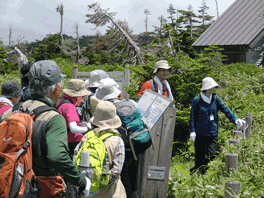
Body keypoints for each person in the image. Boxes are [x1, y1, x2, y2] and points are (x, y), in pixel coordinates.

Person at [0, 60, 91, 197]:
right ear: (56, 88)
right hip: (41, 189)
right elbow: (57, 157)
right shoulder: (53, 118)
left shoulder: (10, 112)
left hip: (11, 186)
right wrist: (82, 181)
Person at [95, 78, 151, 198]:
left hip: (124, 146)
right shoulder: (129, 102)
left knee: (124, 175)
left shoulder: (108, 108)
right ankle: (135, 194)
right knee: (134, 173)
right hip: (139, 141)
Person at [189, 77, 246, 175]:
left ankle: (199, 171)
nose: (213, 88)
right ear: (205, 88)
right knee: (199, 156)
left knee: (211, 155)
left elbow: (225, 109)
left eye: (214, 86)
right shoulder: (197, 100)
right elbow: (192, 117)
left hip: (212, 131)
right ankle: (198, 175)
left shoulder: (215, 98)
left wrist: (235, 120)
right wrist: (192, 131)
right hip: (200, 132)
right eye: (211, 86)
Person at [77, 100, 126, 197]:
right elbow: (116, 171)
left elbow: (75, 159)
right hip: (111, 192)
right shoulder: (117, 141)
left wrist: (91, 189)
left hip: (87, 191)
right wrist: (101, 185)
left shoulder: (86, 137)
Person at [56, 79, 93, 159]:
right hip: (72, 143)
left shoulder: (61, 101)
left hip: (64, 140)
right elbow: (73, 128)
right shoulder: (70, 106)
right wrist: (89, 128)